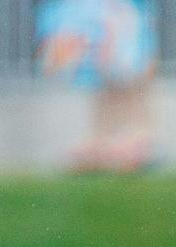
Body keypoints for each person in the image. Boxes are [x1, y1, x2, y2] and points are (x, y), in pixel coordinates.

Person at [37, 0, 157, 173]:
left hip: (121, 18)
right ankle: (107, 140)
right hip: (110, 19)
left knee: (127, 77)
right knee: (109, 78)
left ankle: (133, 138)